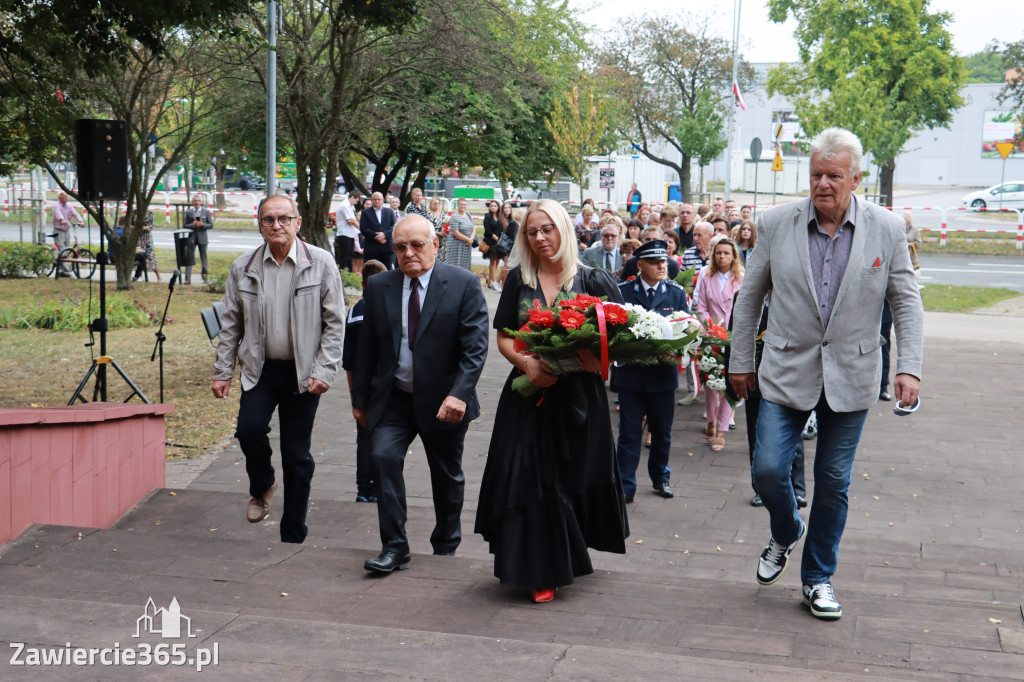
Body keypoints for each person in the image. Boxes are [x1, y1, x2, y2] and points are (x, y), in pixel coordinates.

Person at [729, 127, 923, 621]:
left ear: (855, 178)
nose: (823, 184)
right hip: (785, 369)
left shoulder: (887, 229)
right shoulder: (776, 223)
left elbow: (906, 302)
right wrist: (740, 362)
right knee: (768, 469)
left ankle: (818, 578)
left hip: (853, 374)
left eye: (834, 176)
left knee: (833, 481)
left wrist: (909, 367)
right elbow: (750, 297)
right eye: (816, 174)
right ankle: (786, 529)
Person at [474, 199, 629, 603]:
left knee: (571, 474)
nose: (540, 238)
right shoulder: (517, 280)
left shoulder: (593, 280)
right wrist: (526, 364)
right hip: (528, 396)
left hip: (580, 397)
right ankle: (543, 569)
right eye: (531, 232)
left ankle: (565, 552)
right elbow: (505, 335)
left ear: (564, 229)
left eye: (547, 229)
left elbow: (623, 341)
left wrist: (598, 360)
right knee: (531, 477)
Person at [352, 215, 489, 574]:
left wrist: (459, 394)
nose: (408, 253)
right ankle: (395, 547)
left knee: (446, 476)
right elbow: (367, 349)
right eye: (400, 247)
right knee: (382, 458)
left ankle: (445, 545)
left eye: (417, 245)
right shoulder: (380, 285)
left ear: (435, 244)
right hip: (394, 399)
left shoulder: (463, 284)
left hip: (444, 401)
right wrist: (359, 401)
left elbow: (475, 349)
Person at [211, 194, 346, 543]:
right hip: (261, 369)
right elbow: (231, 324)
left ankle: (293, 531)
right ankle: (263, 484)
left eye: (284, 218)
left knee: (296, 454)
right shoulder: (244, 266)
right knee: (249, 431)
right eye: (269, 220)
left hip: (305, 374)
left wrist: (325, 370)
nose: (277, 226)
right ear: (260, 225)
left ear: (297, 223)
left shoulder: (321, 263)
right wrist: (223, 370)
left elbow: (335, 323)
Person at [614, 239, 689, 503]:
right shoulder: (622, 291)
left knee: (662, 432)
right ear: (640, 265)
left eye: (664, 261)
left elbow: (686, 327)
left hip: (662, 375)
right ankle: (625, 484)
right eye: (655, 262)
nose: (662, 265)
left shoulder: (675, 292)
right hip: (631, 376)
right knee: (629, 434)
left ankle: (661, 478)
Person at [342, 259, 388, 503]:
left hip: (361, 386)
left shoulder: (354, 313)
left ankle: (363, 489)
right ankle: (381, 488)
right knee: (386, 438)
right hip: (385, 386)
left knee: (364, 437)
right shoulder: (388, 310)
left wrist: (353, 396)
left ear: (362, 283)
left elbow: (348, 360)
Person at [696, 238, 744, 451]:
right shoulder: (707, 277)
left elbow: (747, 306)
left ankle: (722, 429)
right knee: (710, 381)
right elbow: (701, 305)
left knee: (729, 383)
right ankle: (711, 420)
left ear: (734, 256)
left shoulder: (742, 278)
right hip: (711, 335)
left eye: (726, 253)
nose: (722, 256)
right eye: (718, 253)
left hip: (735, 335)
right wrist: (710, 326)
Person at [360, 192, 397, 269]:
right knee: (371, 272)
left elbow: (395, 226)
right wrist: (376, 236)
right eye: (375, 199)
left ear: (383, 200)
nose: (377, 201)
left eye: (379, 199)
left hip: (386, 248)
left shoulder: (389, 212)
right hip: (371, 249)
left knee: (387, 272)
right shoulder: (365, 212)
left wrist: (384, 235)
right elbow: (363, 229)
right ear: (371, 200)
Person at [182, 195, 212, 284]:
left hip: (202, 238)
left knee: (204, 258)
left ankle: (205, 277)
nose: (197, 202)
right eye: (195, 201)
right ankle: (187, 278)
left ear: (201, 202)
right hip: (192, 237)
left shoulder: (206, 212)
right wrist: (193, 225)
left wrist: (203, 225)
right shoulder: (189, 212)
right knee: (189, 258)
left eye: (198, 201)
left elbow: (211, 225)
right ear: (192, 202)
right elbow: (185, 225)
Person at [51, 191, 84, 274]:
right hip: (58, 229)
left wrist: (81, 221)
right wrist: (62, 220)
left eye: (67, 196)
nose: (66, 198)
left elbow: (75, 213)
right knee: (61, 248)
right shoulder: (56, 205)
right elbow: (58, 213)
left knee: (67, 248)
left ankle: (62, 267)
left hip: (66, 229)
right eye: (64, 196)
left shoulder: (69, 206)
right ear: (60, 198)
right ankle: (65, 268)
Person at [446, 197, 475, 271]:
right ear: (458, 205)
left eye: (464, 205)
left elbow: (474, 228)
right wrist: (468, 239)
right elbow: (456, 233)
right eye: (461, 204)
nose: (463, 206)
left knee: (465, 265)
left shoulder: (468, 215)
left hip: (467, 245)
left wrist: (471, 239)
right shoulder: (454, 217)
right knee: (456, 265)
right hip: (457, 245)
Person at [334, 192, 361, 271]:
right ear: (352, 197)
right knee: (345, 258)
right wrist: (362, 229)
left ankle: (348, 274)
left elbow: (352, 220)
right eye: (356, 200)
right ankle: (344, 274)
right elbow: (352, 220)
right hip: (344, 234)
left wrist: (352, 222)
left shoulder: (350, 207)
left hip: (350, 234)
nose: (357, 202)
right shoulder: (344, 205)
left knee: (350, 257)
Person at [482, 200, 504, 290]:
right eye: (492, 206)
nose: (493, 207)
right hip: (490, 242)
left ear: (498, 207)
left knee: (497, 262)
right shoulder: (487, 217)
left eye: (495, 206)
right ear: (489, 207)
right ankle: (493, 282)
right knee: (493, 261)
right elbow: (487, 229)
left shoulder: (500, 217)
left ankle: (489, 279)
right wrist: (494, 236)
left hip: (499, 242)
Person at [426, 196, 448, 263]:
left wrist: (446, 231)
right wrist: (438, 233)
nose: (437, 205)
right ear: (431, 204)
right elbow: (427, 228)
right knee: (433, 258)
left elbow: (445, 224)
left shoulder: (442, 214)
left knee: (442, 259)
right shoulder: (428, 214)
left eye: (438, 203)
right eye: (435, 203)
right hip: (433, 239)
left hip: (442, 240)